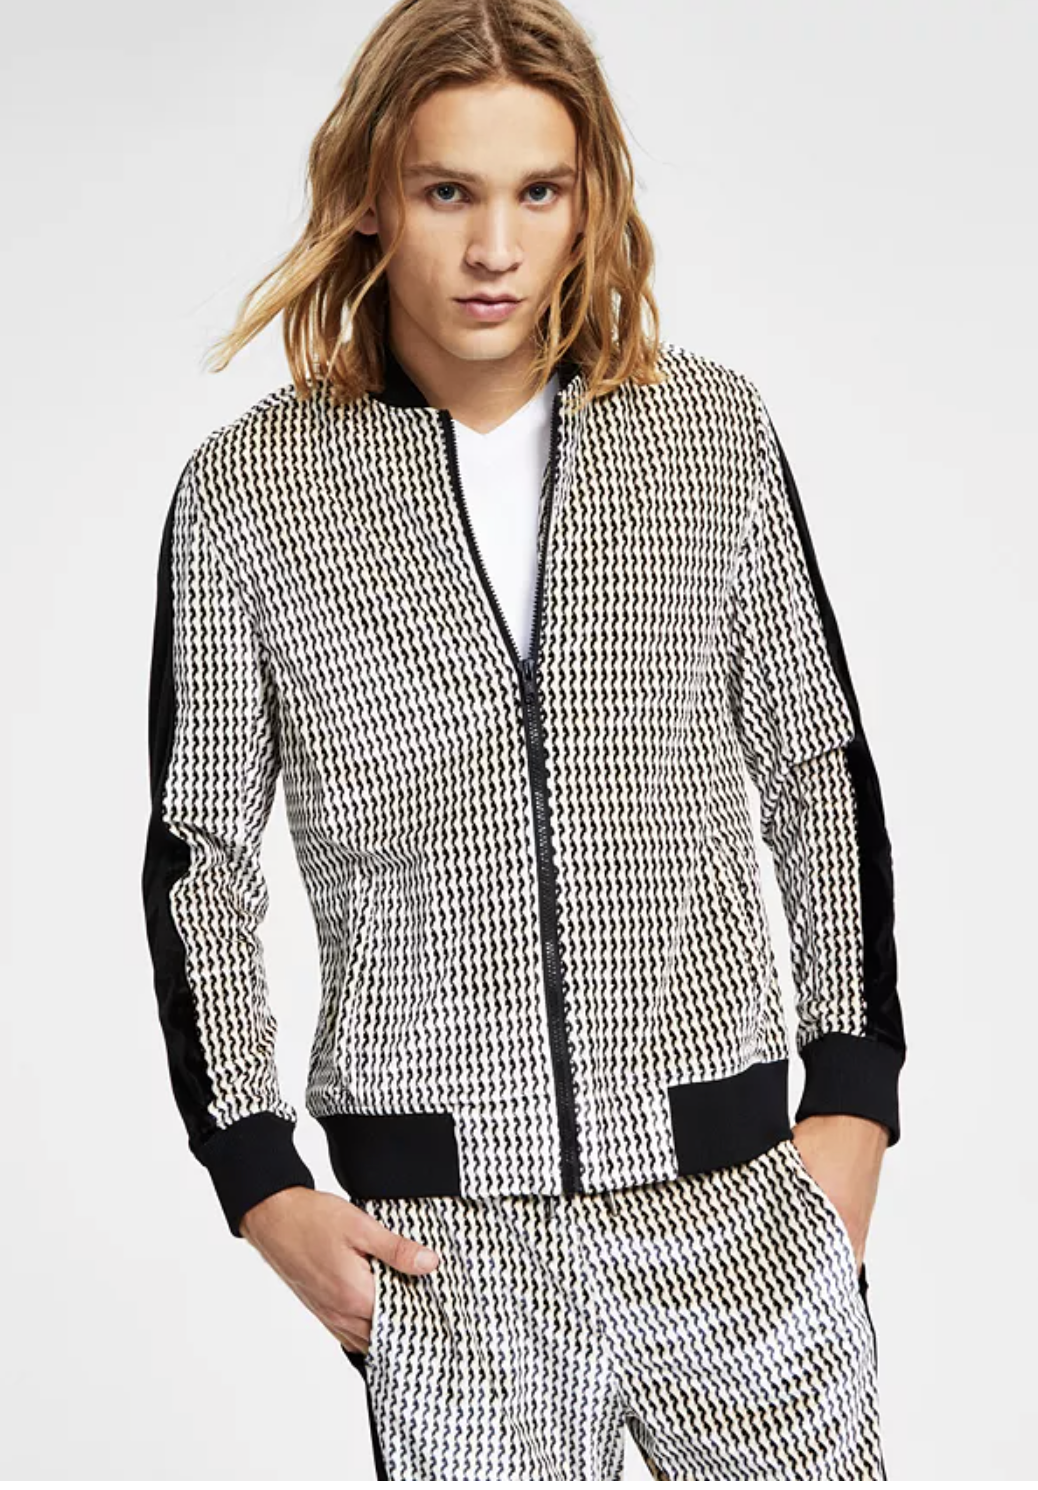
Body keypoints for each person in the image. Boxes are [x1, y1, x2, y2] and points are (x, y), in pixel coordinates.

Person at [141, 0, 907, 1479]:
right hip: (445, 1250)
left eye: (537, 192)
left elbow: (818, 770)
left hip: (739, 1205)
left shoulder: (708, 437)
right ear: (373, 197)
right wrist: (259, 1180)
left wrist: (852, 1102)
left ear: (587, 201)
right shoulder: (249, 494)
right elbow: (200, 856)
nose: (495, 247)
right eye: (450, 191)